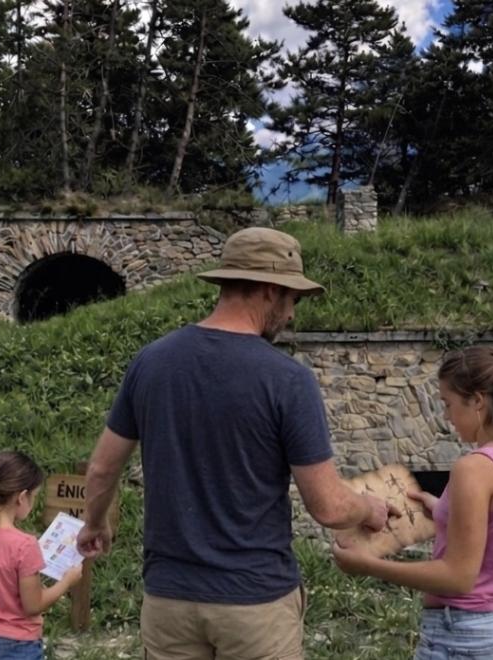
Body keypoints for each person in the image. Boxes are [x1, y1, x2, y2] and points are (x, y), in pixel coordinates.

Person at [76, 227, 391, 660]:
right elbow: (330, 507)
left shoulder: (151, 362)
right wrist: (369, 508)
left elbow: (101, 469)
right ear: (267, 290)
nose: (293, 315)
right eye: (292, 299)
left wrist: (95, 523)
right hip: (254, 603)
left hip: (169, 599)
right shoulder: (287, 380)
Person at [332, 347, 493, 660]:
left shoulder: (474, 469)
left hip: (468, 638)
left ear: (477, 401)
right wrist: (443, 510)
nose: (447, 417)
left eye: (447, 404)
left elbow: (458, 577)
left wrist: (368, 565)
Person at [0, 451, 83, 660]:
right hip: (15, 644)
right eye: (33, 496)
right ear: (22, 497)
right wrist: (67, 582)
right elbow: (33, 605)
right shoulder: (24, 545)